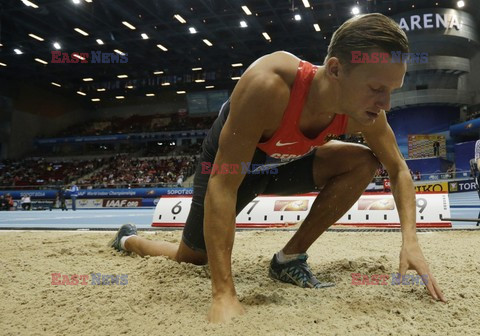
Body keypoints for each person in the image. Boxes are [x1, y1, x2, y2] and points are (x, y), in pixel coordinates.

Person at [109, 13, 446, 323]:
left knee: (363, 161)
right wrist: (224, 293)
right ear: (335, 69)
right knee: (192, 258)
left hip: (285, 164)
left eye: (391, 91)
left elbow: (399, 170)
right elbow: (224, 186)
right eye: (377, 89)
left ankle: (289, 258)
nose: (386, 104)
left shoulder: (365, 112)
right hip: (232, 169)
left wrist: (411, 240)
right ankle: (130, 240)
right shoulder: (268, 85)